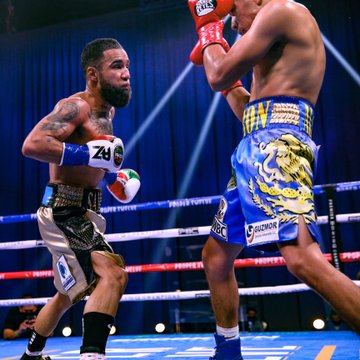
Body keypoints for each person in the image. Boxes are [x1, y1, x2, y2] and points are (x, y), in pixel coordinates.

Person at [188, 0, 360, 358]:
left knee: (300, 257)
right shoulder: (267, 44)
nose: (232, 24)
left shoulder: (283, 10)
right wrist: (221, 66)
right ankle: (228, 352)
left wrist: (208, 27)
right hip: (255, 146)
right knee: (215, 257)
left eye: (233, 11)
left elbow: (217, 74)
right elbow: (248, 109)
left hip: (277, 148)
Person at [20, 38, 140, 360]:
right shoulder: (76, 106)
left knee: (64, 296)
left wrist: (114, 177)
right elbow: (33, 145)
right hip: (63, 209)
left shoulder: (107, 111)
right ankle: (92, 355)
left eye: (127, 65)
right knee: (112, 273)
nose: (126, 73)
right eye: (117, 66)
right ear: (93, 75)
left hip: (86, 211)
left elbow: (94, 160)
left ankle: (30, 357)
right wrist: (85, 152)